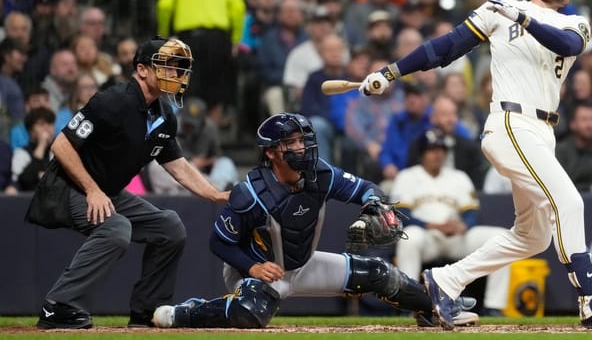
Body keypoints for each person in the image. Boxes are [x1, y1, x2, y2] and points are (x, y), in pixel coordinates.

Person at [357, 0, 592, 330]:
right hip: (510, 122)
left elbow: (565, 45)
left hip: (542, 130)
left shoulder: (576, 22)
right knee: (569, 202)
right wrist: (390, 72)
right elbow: (445, 48)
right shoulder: (496, 12)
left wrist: (519, 14)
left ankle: (446, 281)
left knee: (532, 236)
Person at [150, 113, 478, 329]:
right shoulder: (250, 192)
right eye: (290, 143)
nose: (301, 147)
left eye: (301, 140)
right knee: (249, 313)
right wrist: (252, 268)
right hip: (260, 268)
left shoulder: (320, 173)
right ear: (271, 152)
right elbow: (219, 241)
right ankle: (186, 312)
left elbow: (363, 187)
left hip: (303, 263)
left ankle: (432, 309)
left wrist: (373, 202)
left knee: (378, 273)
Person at [26, 37, 229, 330]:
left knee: (169, 227)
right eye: (167, 67)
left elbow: (178, 166)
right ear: (142, 69)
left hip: (106, 191)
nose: (175, 74)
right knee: (116, 227)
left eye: (178, 68)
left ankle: (146, 312)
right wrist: (92, 190)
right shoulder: (113, 100)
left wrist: (214, 194)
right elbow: (61, 145)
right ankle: (59, 306)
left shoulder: (163, 115)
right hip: (66, 186)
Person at [394, 128, 510, 316]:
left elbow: (471, 212)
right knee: (409, 238)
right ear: (423, 153)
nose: (437, 154)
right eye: (432, 149)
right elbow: (402, 215)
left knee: (501, 237)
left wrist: (463, 225)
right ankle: (408, 304)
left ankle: (494, 306)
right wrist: (432, 226)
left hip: (457, 236)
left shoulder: (458, 176)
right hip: (428, 236)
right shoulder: (407, 176)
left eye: (441, 149)